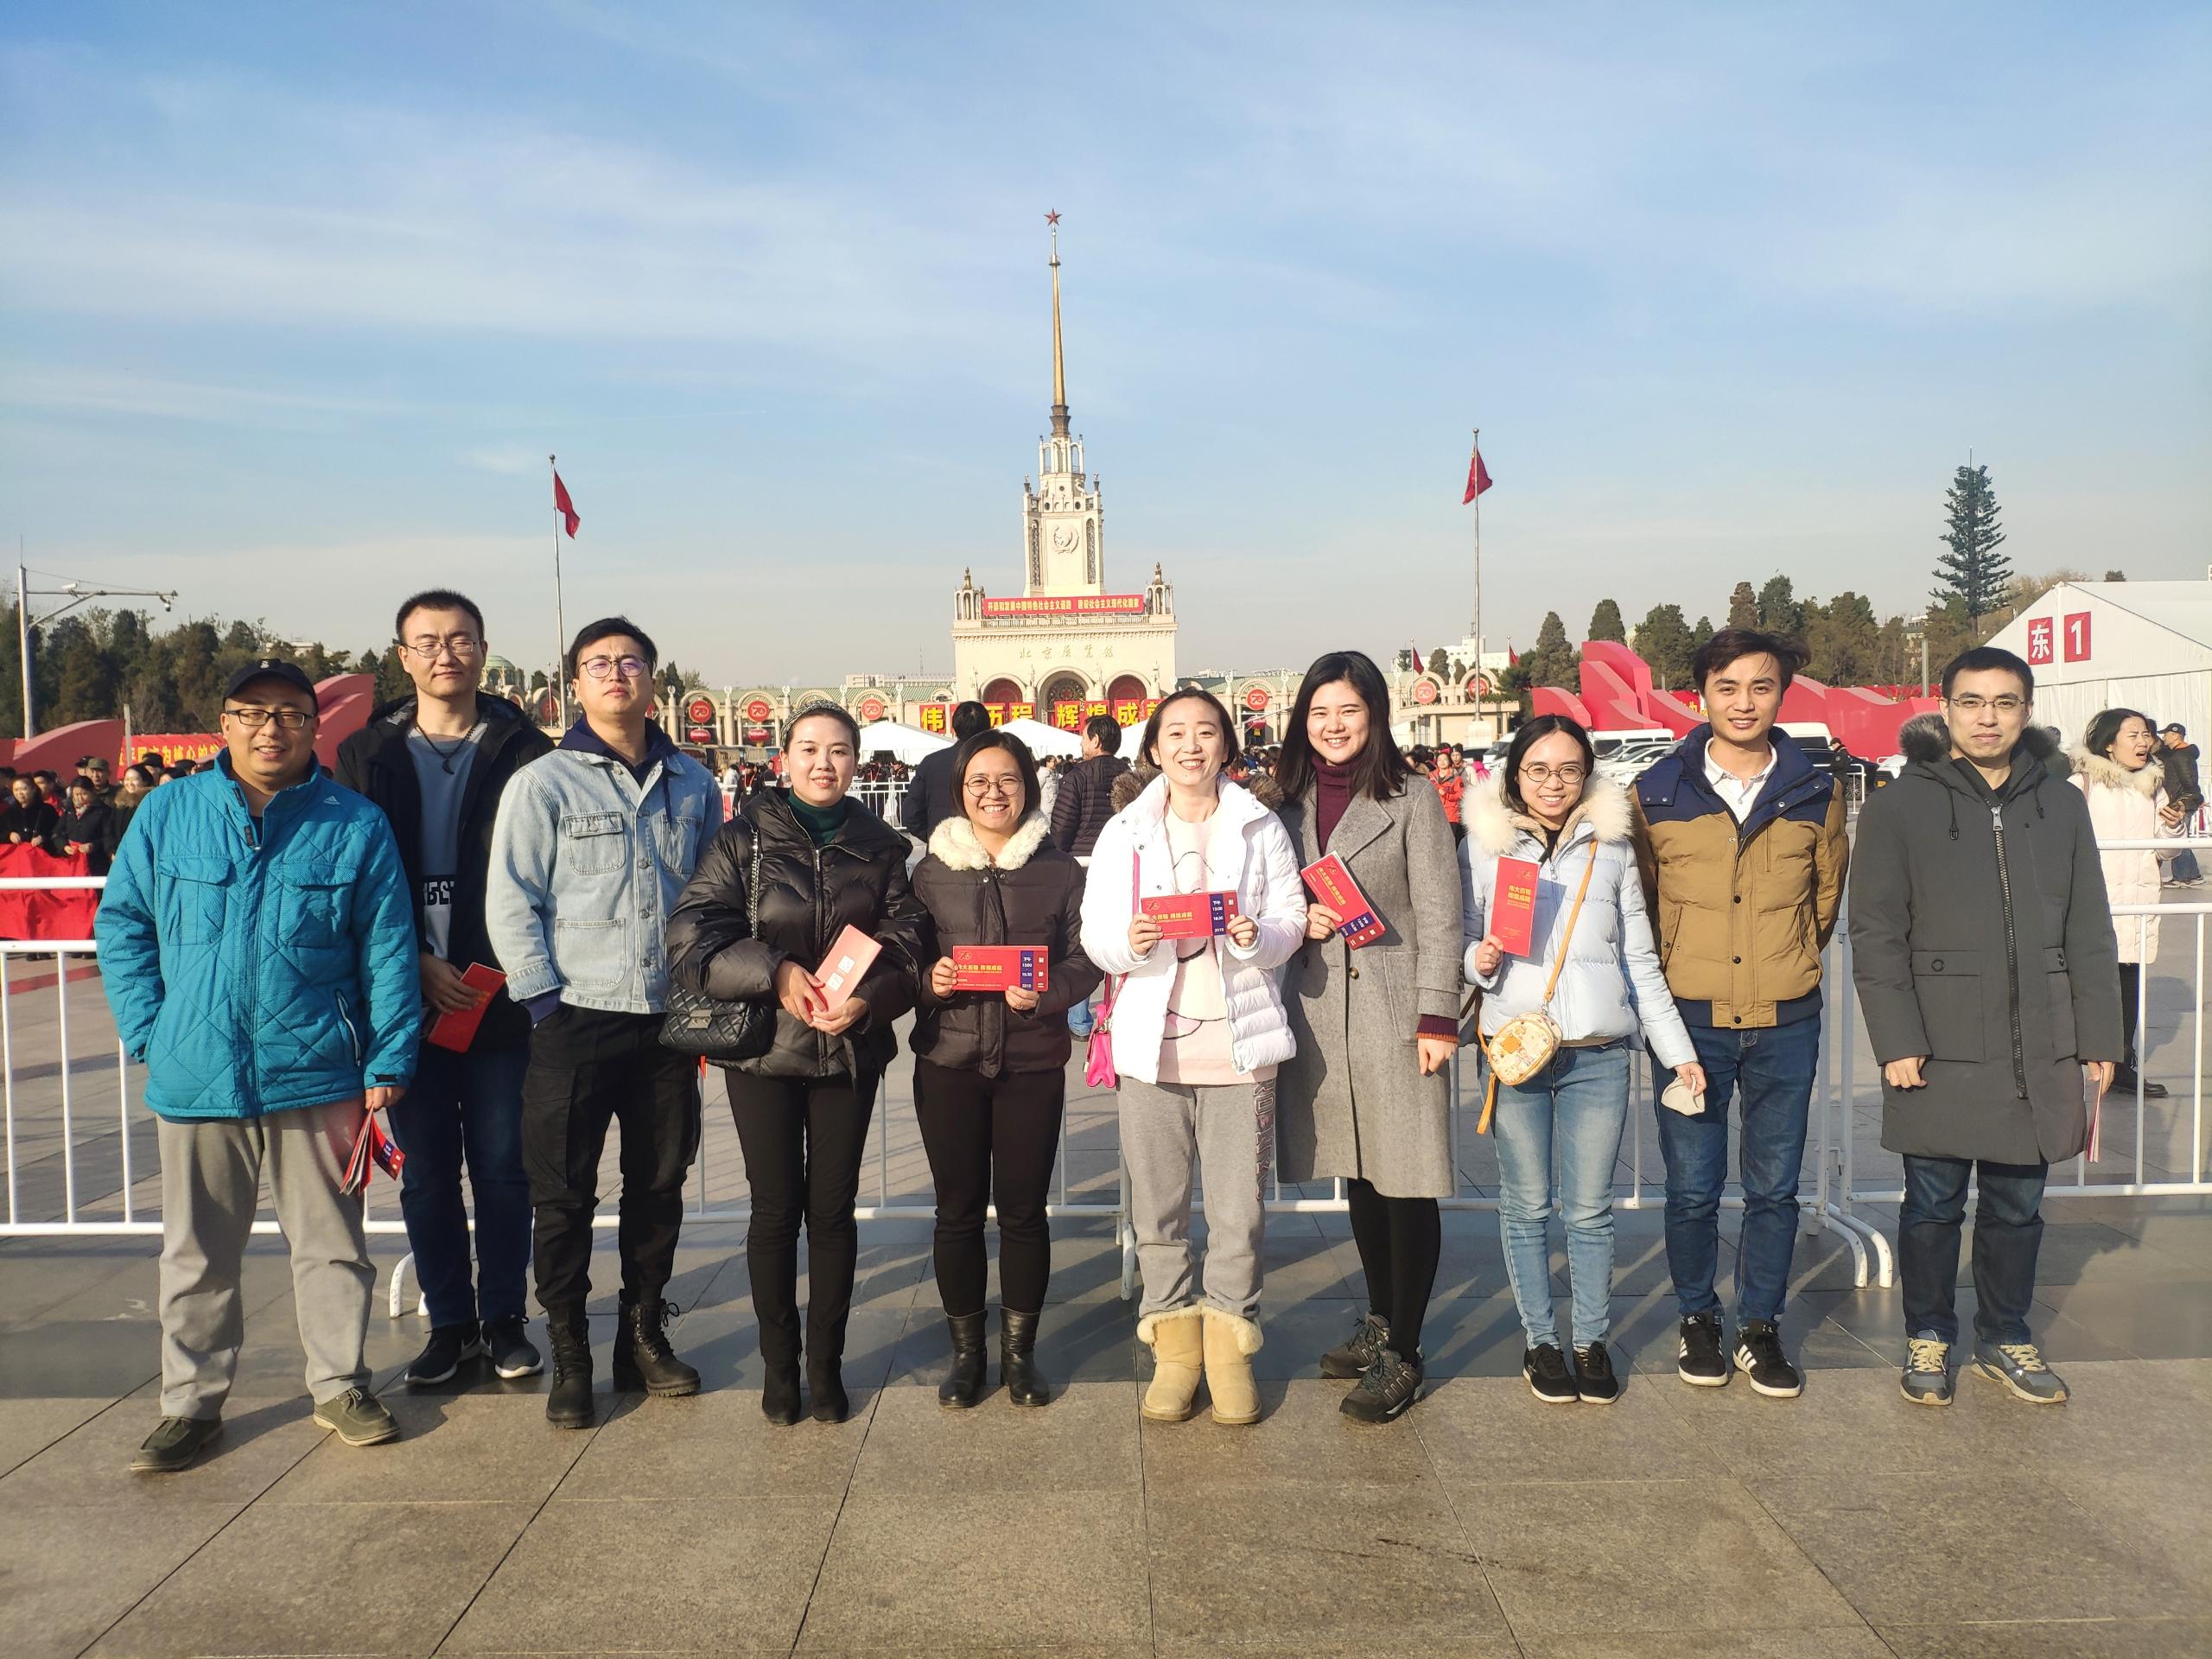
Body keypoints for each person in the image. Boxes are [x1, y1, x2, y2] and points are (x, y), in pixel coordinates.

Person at [96, 659, 422, 1472]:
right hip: (196, 1071)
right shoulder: (169, 812)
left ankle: (340, 1385)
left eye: (290, 714)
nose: (271, 728)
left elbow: (387, 949)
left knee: (332, 1245)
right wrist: (151, 1030)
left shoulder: (353, 823)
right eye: (252, 712)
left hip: (319, 1070)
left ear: (315, 727)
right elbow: (123, 924)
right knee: (197, 1253)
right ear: (226, 724)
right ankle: (190, 1404)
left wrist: (388, 1055)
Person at [1851, 647, 2120, 1407]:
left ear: (2026, 711)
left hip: (2040, 1038)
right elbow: (1877, 930)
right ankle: (1929, 1335)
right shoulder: (1901, 805)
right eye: (1971, 702)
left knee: (2016, 1206)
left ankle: (2005, 1333)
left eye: (2004, 703)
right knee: (1933, 1205)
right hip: (1938, 1042)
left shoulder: (2061, 802)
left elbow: (2089, 926)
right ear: (1945, 710)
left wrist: (2100, 1037)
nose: (1987, 718)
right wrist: (1897, 1039)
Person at [486, 617, 722, 1430]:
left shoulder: (693, 784)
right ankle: (570, 1353)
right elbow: (511, 900)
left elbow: (713, 895)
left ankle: (641, 1337)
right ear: (574, 684)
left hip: (666, 1022)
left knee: (659, 1185)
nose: (617, 674)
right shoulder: (544, 783)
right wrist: (543, 1003)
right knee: (563, 1195)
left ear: (653, 678)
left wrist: (705, 986)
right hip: (576, 1017)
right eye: (599, 664)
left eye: (631, 662)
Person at [667, 703, 924, 1425]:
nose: (823, 763)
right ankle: (780, 1368)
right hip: (762, 1051)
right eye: (808, 749)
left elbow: (908, 941)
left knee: (832, 1212)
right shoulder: (743, 838)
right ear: (783, 759)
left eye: (838, 750)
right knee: (775, 1210)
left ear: (857, 761)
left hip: (847, 1052)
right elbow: (692, 933)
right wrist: (774, 971)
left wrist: (867, 1001)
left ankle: (825, 1366)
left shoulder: (882, 846)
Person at [337, 589, 555, 1387]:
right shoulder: (367, 753)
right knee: (426, 1174)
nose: (445, 654)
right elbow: (355, 876)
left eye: (460, 639)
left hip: (497, 994)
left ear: (483, 650)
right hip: (403, 998)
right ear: (403, 657)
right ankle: (449, 1323)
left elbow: (545, 872)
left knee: (503, 1167)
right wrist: (413, 962)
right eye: (426, 642)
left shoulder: (526, 749)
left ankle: (504, 1320)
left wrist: (489, 966)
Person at [1079, 688, 1306, 1427]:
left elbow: (1291, 918)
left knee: (1239, 1214)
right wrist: (1128, 943)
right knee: (1158, 1210)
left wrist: (1257, 938)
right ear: (1153, 749)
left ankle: (1230, 1349)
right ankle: (1174, 1349)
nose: (1190, 746)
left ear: (1226, 747)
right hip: (1152, 1050)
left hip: (1240, 1047)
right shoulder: (1126, 831)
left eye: (1206, 732)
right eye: (1174, 733)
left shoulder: (1260, 825)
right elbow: (1095, 932)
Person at [1630, 629, 1847, 1398]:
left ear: (1782, 693)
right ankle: (1697, 1317)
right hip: (1690, 1022)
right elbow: (1643, 901)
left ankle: (1760, 1326)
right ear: (1702, 696)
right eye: (1728, 687)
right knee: (1692, 1186)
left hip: (1786, 1018)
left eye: (1761, 686)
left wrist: (1784, 958)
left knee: (1774, 1187)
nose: (1744, 702)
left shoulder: (1816, 789)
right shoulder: (1658, 791)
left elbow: (1824, 898)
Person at [1463, 715, 1705, 1405]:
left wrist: (1678, 1052)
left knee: (1591, 1210)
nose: (1554, 784)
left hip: (1597, 1056)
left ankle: (1590, 1342)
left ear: (1587, 775)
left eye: (1569, 770)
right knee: (1526, 1205)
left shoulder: (1611, 847)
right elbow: (1462, 939)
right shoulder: (1482, 846)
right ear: (1515, 774)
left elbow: (1639, 961)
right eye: (1538, 770)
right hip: (1516, 1054)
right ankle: (1541, 1341)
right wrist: (1478, 960)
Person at [1273, 651, 1463, 1423]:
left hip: (1393, 1009)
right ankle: (1381, 1319)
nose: (1333, 725)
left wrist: (1437, 1015)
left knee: (1406, 1177)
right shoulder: (1283, 804)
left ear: (1375, 716)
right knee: (1358, 1170)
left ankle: (1405, 1351)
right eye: (1320, 712)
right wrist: (1298, 919)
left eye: (1348, 710)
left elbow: (1441, 914)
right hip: (1321, 1009)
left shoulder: (1413, 798)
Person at [908, 728, 1099, 1408]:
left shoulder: (1060, 869)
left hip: (1031, 1062)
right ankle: (967, 1355)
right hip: (949, 1061)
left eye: (1008, 780)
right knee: (956, 1213)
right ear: (959, 791)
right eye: (979, 782)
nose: (994, 793)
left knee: (1023, 1213)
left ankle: (1021, 1354)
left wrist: (1044, 996)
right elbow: (904, 956)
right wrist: (928, 980)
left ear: (1029, 787)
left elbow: (1086, 957)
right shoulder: (929, 872)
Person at [2069, 709, 2170, 1100]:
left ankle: (2122, 1065)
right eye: (2133, 735)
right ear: (2109, 744)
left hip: (2138, 904)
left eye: (2146, 734)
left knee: (2128, 988)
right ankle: (2070, 1063)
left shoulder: (2153, 788)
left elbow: (2168, 850)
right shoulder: (2082, 785)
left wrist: (2173, 825)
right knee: (2082, 987)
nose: (2143, 742)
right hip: (2092, 903)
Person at [1052, 713, 1131, 1038]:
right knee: (1123, 937)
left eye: (1084, 737)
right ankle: (1119, 1009)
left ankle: (1079, 1019)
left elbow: (1062, 825)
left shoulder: (1077, 776)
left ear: (1096, 740)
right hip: (1124, 865)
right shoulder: (1130, 776)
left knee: (1081, 937)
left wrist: (1057, 858)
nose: (1081, 743)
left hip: (1083, 865)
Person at [903, 700, 989, 845]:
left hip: (942, 850)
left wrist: (934, 837)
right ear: (988, 728)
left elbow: (911, 814)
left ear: (954, 728)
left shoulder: (931, 762)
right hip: (988, 849)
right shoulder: (1001, 762)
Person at [2157, 722, 2202, 887]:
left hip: (2182, 803)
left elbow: (2189, 782)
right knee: (2184, 839)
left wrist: (2181, 802)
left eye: (2167, 734)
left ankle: (2182, 877)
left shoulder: (2180, 756)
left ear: (2176, 736)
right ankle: (2194, 875)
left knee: (2179, 840)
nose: (2164, 738)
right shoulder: (2178, 754)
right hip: (2183, 800)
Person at [51, 776, 117, 874]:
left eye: (84, 794)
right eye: (77, 794)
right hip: (71, 860)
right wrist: (64, 846)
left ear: (92, 792)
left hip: (95, 863)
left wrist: (93, 846)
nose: (80, 798)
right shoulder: (70, 811)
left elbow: (108, 837)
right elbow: (57, 832)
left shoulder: (103, 811)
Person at [105, 764, 155, 862]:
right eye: (127, 779)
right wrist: (112, 851)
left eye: (135, 779)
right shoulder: (119, 802)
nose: (130, 783)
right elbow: (108, 830)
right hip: (117, 857)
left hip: (141, 857)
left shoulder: (150, 802)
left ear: (145, 781)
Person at [2, 773, 60, 846]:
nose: (19, 793)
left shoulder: (46, 810)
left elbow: (57, 830)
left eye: (24, 789)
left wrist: (42, 837)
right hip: (18, 851)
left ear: (33, 789)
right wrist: (9, 835)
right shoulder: (9, 813)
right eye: (16, 790)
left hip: (42, 850)